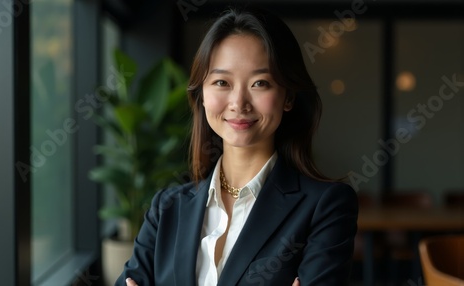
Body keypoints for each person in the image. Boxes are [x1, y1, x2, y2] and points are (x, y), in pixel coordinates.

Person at [116, 6, 358, 286]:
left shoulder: (326, 207)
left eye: (260, 83)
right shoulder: (166, 209)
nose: (239, 103)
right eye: (222, 82)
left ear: (288, 97)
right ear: (202, 95)